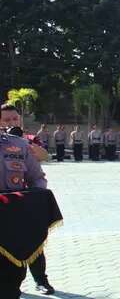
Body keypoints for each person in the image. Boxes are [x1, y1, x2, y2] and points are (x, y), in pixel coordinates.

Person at [0, 110, 53, 297]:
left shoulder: (19, 145)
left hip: (13, 224)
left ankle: (40, 280)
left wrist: (32, 203)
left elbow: (37, 178)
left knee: (10, 281)